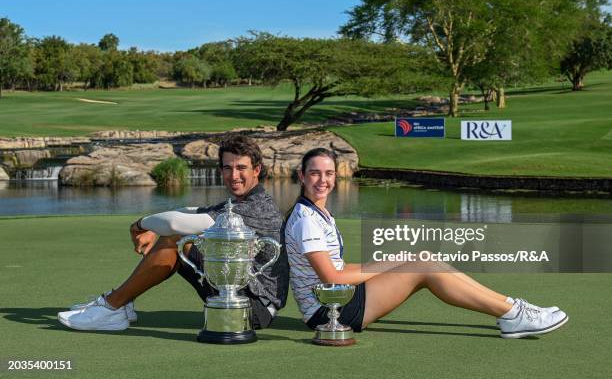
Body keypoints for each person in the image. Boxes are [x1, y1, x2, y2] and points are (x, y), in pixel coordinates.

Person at [285, 148, 568, 339]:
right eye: (315, 173)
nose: (323, 180)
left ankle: (512, 309)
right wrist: (396, 262)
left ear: (337, 175)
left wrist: (398, 259)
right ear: (302, 176)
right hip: (330, 312)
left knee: (423, 260)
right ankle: (513, 313)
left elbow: (338, 267)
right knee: (424, 266)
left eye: (329, 173)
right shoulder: (307, 219)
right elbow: (332, 276)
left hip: (344, 296)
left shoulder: (317, 213)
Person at [58, 135, 289, 331]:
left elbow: (176, 224)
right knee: (184, 234)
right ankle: (121, 302)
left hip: (254, 310)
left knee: (178, 239)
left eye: (241, 168)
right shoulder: (239, 202)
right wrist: (153, 226)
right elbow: (189, 211)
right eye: (227, 168)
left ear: (257, 170)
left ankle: (112, 307)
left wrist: (140, 225)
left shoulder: (257, 208)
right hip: (240, 295)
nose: (234, 175)